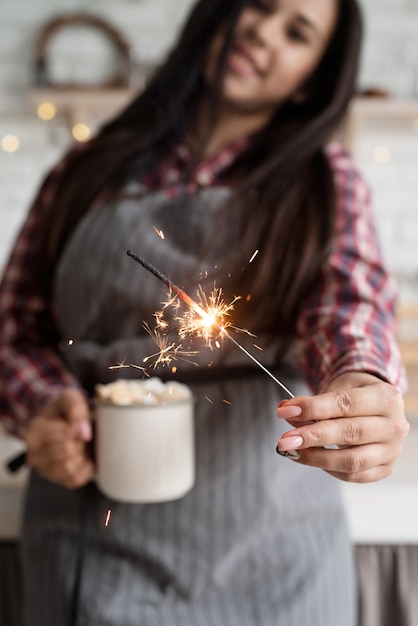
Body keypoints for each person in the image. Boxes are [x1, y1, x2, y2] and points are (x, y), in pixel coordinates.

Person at [0, 0, 409, 624]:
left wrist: (362, 378)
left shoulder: (325, 180)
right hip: (90, 554)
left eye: (296, 32)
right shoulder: (86, 170)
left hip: (272, 564)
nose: (262, 31)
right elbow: (15, 333)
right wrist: (42, 409)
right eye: (259, 6)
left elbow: (349, 302)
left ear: (311, 79)